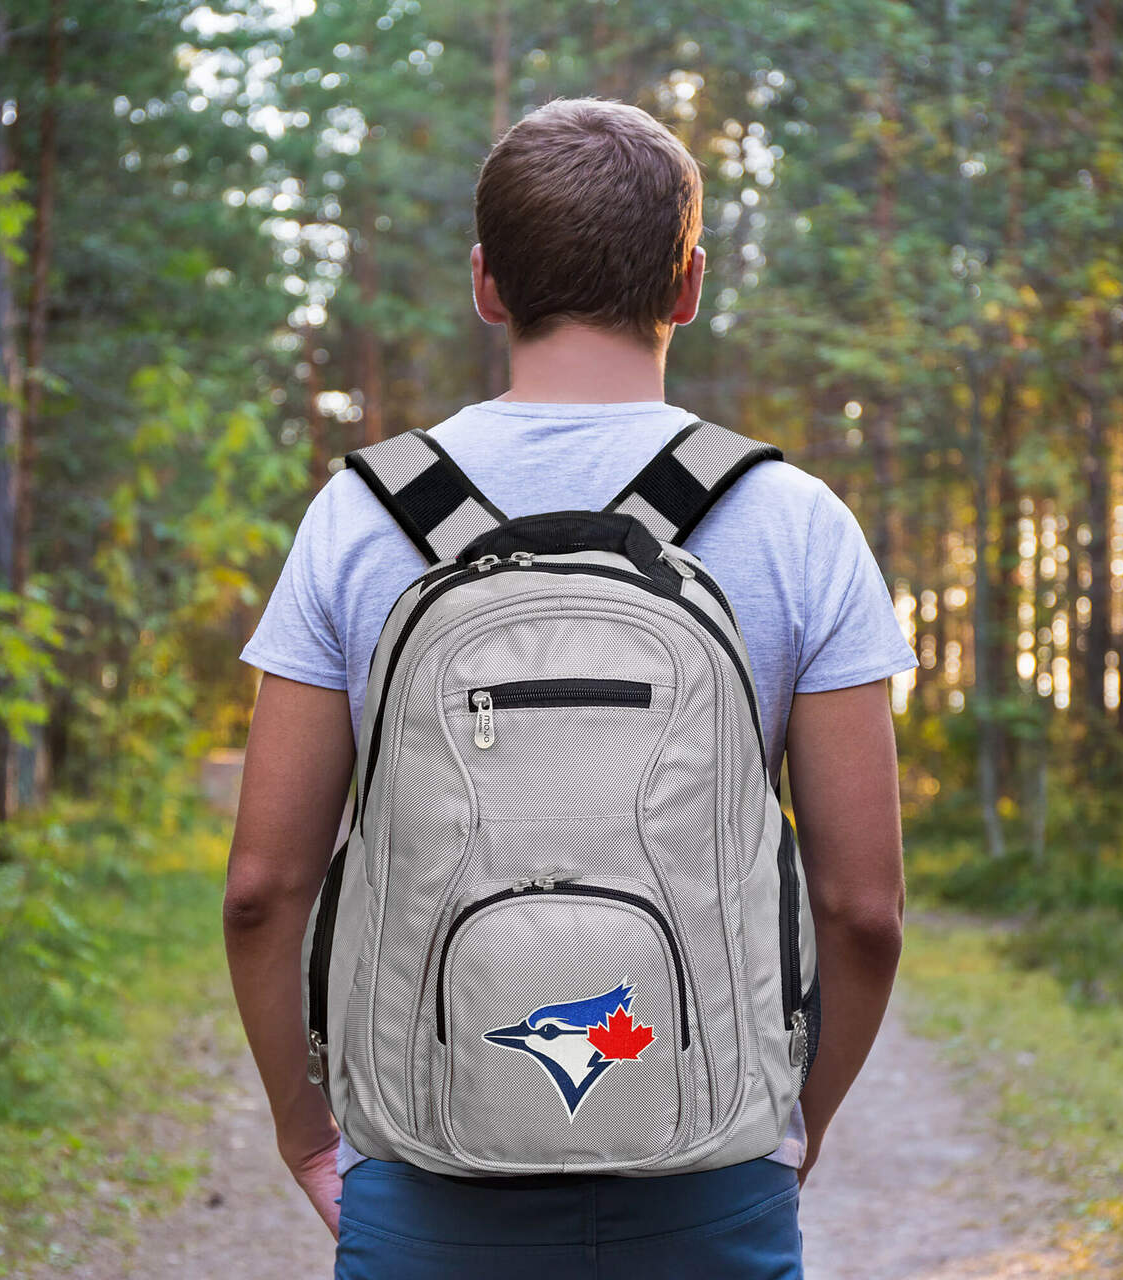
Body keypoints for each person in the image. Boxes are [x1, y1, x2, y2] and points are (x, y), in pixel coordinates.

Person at [225, 97, 915, 1279]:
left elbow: (261, 887)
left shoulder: (357, 516)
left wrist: (308, 1136)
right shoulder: (794, 524)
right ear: (688, 283)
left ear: (486, 284)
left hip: (426, 1185)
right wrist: (783, 1135)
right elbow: (864, 909)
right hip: (708, 1178)